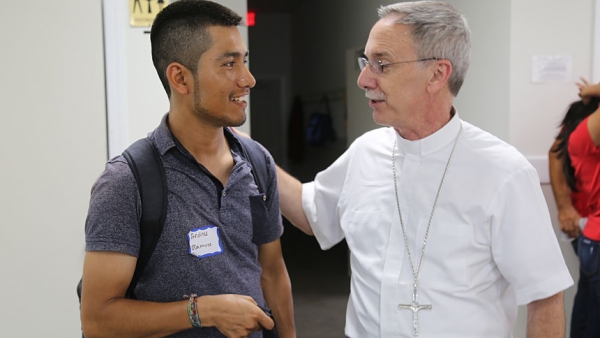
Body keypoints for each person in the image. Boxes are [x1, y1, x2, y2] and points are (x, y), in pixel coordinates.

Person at [275, 1, 573, 337]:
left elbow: (545, 297)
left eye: (381, 64)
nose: (363, 79)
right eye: (366, 61)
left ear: (437, 74)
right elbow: (312, 211)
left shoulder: (504, 173)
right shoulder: (365, 152)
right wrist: (249, 152)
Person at [80, 1, 295, 337]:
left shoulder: (257, 161)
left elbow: (272, 272)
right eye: (228, 64)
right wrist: (203, 311)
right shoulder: (126, 181)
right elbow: (97, 320)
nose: (248, 79)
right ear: (180, 78)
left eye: (245, 61)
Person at [549, 89, 599, 338]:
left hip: (590, 231)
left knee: (589, 304)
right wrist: (564, 208)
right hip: (589, 228)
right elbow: (556, 153)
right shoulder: (586, 116)